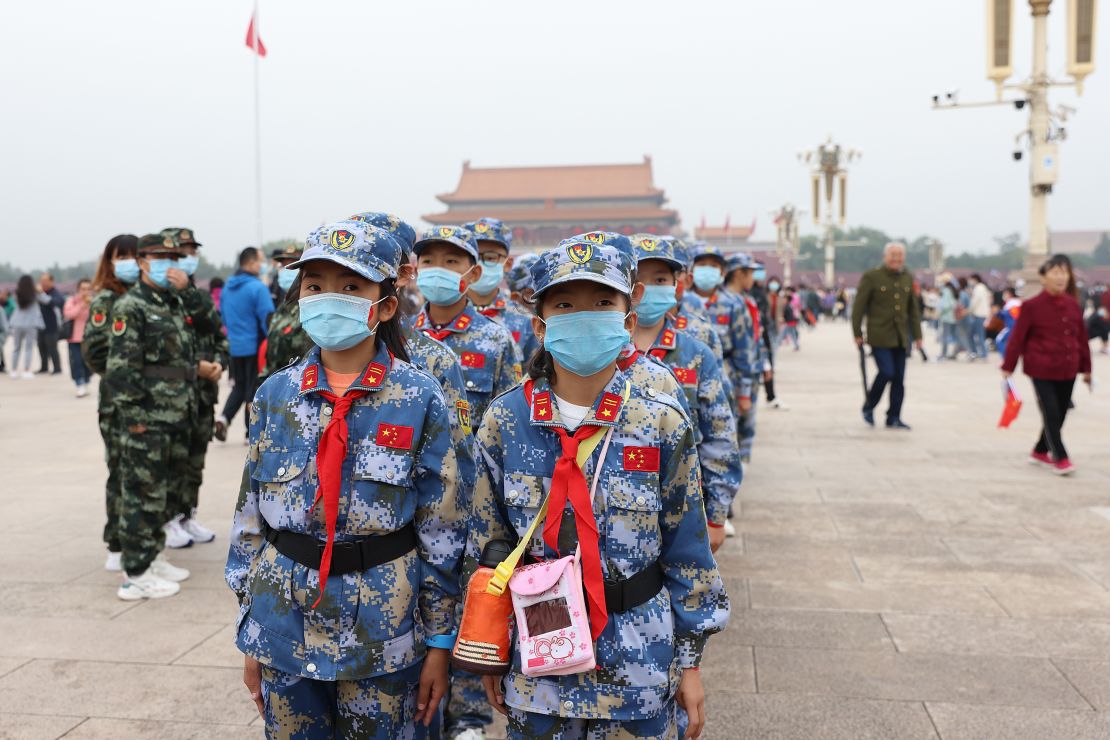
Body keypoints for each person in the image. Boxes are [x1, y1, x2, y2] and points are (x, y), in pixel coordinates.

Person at [467, 238, 729, 739]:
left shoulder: (660, 421)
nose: (584, 316)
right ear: (540, 326)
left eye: (603, 303)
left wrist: (691, 664)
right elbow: (487, 544)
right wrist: (492, 650)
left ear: (628, 322)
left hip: (642, 657)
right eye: (565, 305)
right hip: (539, 651)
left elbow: (688, 549)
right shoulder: (505, 421)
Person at [226, 219, 466, 737]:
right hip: (282, 621)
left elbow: (442, 533)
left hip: (385, 632)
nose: (329, 298)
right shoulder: (275, 395)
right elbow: (249, 520)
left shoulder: (419, 397)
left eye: (351, 287)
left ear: (383, 305)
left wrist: (441, 646)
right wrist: (252, 631)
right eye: (315, 286)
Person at [630, 234, 741, 555]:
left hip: (682, 503)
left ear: (677, 283)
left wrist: (717, 515)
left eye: (660, 279)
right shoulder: (604, 346)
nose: (649, 288)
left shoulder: (696, 345)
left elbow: (719, 432)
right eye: (638, 279)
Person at [106, 234, 203, 599]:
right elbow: (121, 370)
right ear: (143, 261)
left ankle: (153, 556)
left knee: (162, 496)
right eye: (160, 257)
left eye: (173, 257)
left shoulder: (170, 301)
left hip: (175, 414)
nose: (169, 263)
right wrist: (135, 418)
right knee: (141, 496)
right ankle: (135, 572)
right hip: (146, 417)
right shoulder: (131, 306)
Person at [161, 227, 228, 547]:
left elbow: (215, 331)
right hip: (170, 397)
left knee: (194, 459)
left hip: (201, 394)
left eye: (191, 252)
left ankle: (187, 514)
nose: (189, 258)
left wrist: (218, 364)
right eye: (181, 253)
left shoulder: (195, 295)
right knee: (170, 461)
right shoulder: (160, 298)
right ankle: (168, 518)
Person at [412, 225, 522, 420]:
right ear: (416, 269)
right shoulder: (401, 335)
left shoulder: (497, 339)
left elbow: (510, 417)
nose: (438, 270)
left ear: (474, 274)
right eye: (428, 261)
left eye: (451, 261)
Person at [1002, 256, 1091, 475]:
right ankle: (1060, 456)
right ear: (1043, 277)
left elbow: (1081, 338)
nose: (1060, 277)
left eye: (1064, 272)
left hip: (1068, 367)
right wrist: (1008, 365)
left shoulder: (1072, 304)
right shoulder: (1032, 306)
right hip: (1040, 367)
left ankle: (1040, 449)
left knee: (1060, 412)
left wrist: (1087, 368)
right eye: (1055, 272)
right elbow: (1017, 338)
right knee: (1050, 410)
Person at [83, 234, 139, 571]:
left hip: (141, 400)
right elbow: (94, 352)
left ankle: (137, 539)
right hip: (117, 400)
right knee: (120, 469)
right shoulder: (106, 299)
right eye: (123, 256)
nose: (130, 262)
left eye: (135, 255)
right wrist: (123, 378)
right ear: (110, 260)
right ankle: (116, 543)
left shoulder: (140, 297)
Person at [851, 242, 922, 430]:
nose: (896, 258)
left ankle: (894, 416)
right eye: (893, 255)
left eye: (900, 255)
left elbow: (912, 309)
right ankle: (869, 405)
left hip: (900, 337)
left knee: (899, 379)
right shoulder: (872, 277)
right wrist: (857, 333)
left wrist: (917, 335)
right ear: (885, 257)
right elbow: (858, 308)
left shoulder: (907, 277)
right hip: (880, 335)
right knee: (887, 372)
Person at [215, 247, 275, 442]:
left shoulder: (227, 289)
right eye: (260, 261)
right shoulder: (257, 288)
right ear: (250, 263)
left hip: (235, 345)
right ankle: (251, 430)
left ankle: (224, 418)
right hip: (255, 346)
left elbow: (223, 316)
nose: (262, 265)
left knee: (239, 386)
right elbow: (268, 319)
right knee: (253, 387)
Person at [464, 217, 541, 366]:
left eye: (491, 257)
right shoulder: (439, 316)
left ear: (508, 264)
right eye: (473, 256)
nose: (479, 265)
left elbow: (534, 379)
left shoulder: (525, 323)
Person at [258, 244, 309, 381]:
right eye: (282, 265)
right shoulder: (283, 306)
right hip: (275, 385)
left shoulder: (311, 308)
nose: (286, 270)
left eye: (292, 265)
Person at [8, 275, 44, 379]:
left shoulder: (17, 294)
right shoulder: (35, 294)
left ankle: (13, 371)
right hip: (31, 323)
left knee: (16, 348)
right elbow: (46, 300)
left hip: (17, 323)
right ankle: (26, 371)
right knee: (28, 348)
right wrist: (40, 291)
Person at [62, 278, 93, 397]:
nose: (85, 292)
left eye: (88, 289)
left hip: (89, 338)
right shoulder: (72, 301)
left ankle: (86, 381)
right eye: (83, 289)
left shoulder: (94, 302)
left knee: (88, 363)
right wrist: (82, 305)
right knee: (77, 362)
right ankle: (79, 384)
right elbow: (69, 314)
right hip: (74, 338)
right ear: (78, 289)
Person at [36, 272, 65, 374]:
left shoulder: (56, 293)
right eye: (41, 281)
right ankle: (44, 367)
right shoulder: (39, 294)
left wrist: (41, 294)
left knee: (52, 348)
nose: (43, 283)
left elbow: (53, 302)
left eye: (45, 281)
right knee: (41, 347)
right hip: (41, 326)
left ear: (52, 282)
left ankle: (57, 368)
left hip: (52, 326)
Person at [968, 273, 992, 360]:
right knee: (978, 335)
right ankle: (980, 353)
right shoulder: (983, 288)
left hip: (978, 315)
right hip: (982, 315)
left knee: (976, 335)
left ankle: (980, 353)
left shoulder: (978, 288)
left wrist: (969, 310)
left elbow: (975, 302)